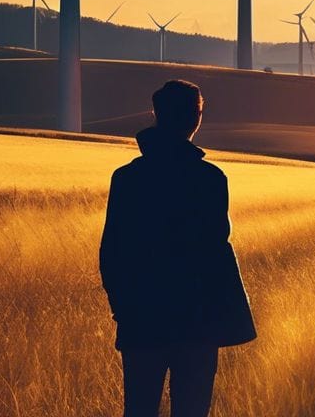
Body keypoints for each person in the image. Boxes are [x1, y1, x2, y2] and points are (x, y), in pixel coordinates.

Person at [100, 80, 256, 417]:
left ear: (155, 113)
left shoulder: (127, 178)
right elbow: (216, 248)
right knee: (192, 410)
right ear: (196, 117)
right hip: (198, 321)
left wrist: (123, 309)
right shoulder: (210, 179)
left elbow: (111, 252)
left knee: (139, 410)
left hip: (141, 317)